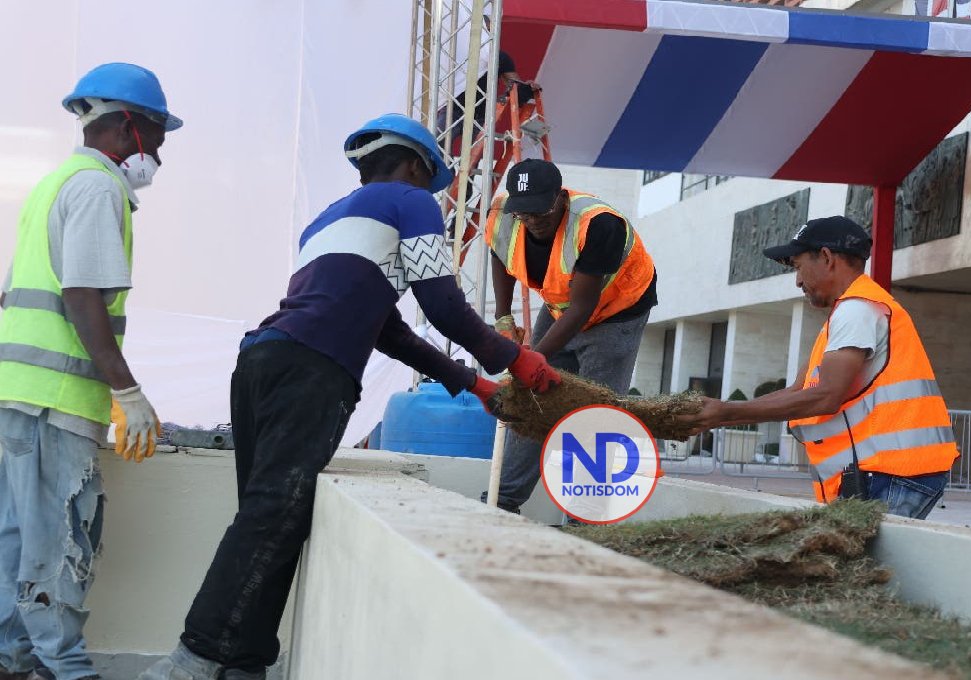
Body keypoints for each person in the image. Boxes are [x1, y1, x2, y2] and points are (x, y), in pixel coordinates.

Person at [140, 114, 559, 680]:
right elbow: (441, 304)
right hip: (315, 369)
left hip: (262, 360)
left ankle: (245, 662)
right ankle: (191, 661)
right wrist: (512, 357)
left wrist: (474, 383)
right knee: (273, 516)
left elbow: (388, 330)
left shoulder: (324, 222)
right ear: (415, 165)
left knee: (273, 517)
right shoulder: (414, 204)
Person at [0, 62, 180, 680]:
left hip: (16, 394)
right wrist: (126, 392)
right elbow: (81, 297)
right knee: (58, 540)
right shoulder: (99, 187)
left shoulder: (55, 183)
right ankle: (66, 670)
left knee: (15, 540)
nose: (160, 151)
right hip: (54, 399)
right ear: (130, 125)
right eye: (159, 135)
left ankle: (13, 659)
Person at [678, 216, 959, 519]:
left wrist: (725, 412)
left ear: (826, 258)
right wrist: (723, 412)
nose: (797, 280)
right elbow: (799, 391)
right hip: (889, 472)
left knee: (859, 565)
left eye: (798, 266)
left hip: (893, 472)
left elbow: (826, 396)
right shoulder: (852, 311)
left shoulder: (857, 310)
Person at [483, 159, 657, 514]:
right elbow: (501, 256)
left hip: (616, 311)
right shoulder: (503, 215)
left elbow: (584, 307)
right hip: (562, 305)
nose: (533, 220)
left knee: (595, 411)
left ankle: (587, 515)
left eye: (542, 211)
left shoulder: (598, 224)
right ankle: (502, 502)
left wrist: (526, 361)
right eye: (524, 213)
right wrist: (503, 317)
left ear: (561, 198)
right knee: (531, 399)